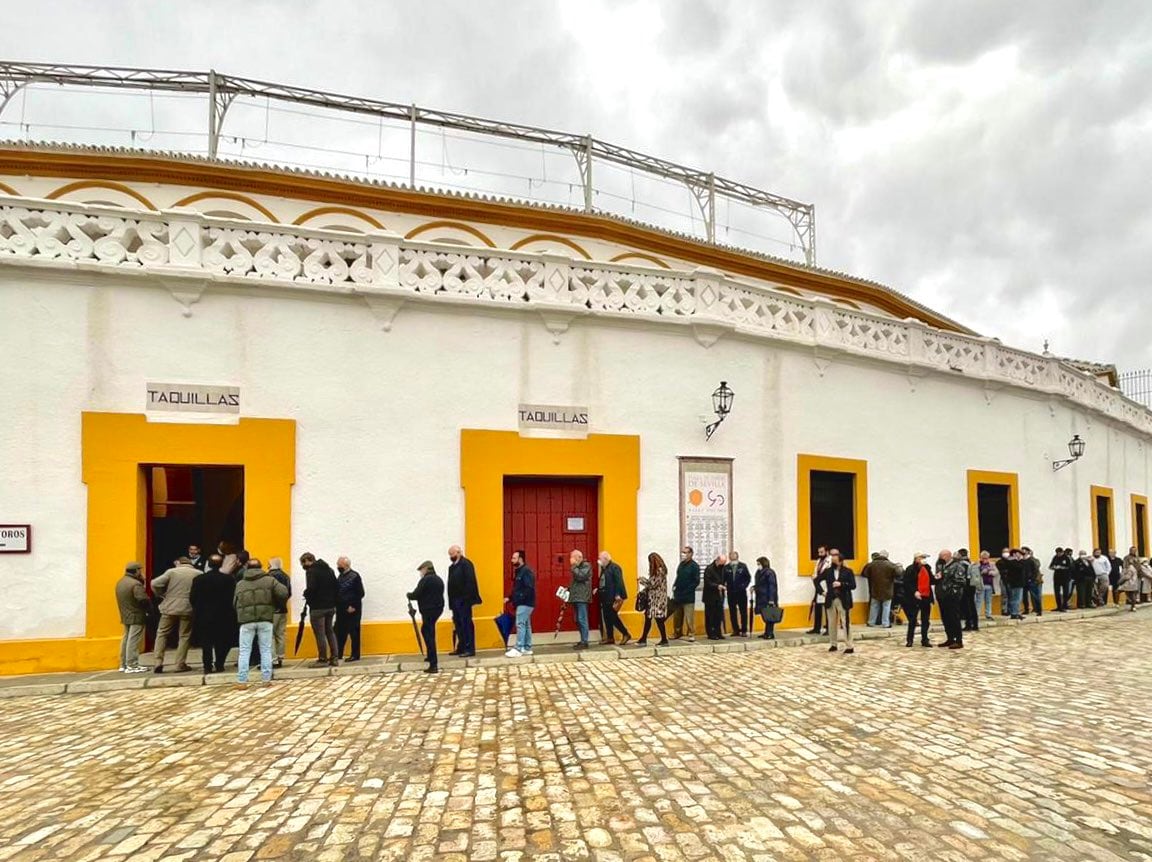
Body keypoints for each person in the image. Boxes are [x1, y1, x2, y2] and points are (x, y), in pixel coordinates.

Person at [231, 557, 288, 687]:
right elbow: (283, 592)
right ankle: (266, 679)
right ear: (261, 567)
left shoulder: (240, 584)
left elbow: (235, 603)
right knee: (266, 649)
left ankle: (242, 681)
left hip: (246, 621)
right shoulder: (270, 580)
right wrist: (275, 604)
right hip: (265, 618)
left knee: (244, 651)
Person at [150, 556, 199, 673]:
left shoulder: (172, 572)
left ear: (178, 563)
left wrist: (161, 595)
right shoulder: (198, 573)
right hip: (188, 607)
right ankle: (179, 664)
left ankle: (158, 662)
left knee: (162, 633)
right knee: (184, 636)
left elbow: (154, 583)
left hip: (169, 606)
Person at [189, 553, 236, 674]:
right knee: (222, 641)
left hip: (203, 616)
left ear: (208, 564)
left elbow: (192, 598)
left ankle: (207, 666)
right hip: (224, 615)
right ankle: (219, 664)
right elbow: (233, 598)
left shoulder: (199, 580)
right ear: (221, 564)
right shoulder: (229, 580)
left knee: (206, 643)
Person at [300, 552, 339, 667]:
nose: (303, 566)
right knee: (330, 632)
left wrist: (306, 595)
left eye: (303, 563)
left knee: (320, 633)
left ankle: (323, 659)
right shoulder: (329, 570)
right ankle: (334, 657)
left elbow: (311, 588)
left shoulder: (311, 571)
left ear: (308, 560)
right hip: (330, 607)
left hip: (318, 608)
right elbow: (336, 587)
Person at [408, 561, 445, 673]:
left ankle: (433, 664)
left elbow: (416, 594)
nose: (421, 572)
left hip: (428, 610)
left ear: (426, 569)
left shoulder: (425, 580)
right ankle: (430, 656)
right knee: (426, 631)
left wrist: (409, 595)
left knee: (429, 634)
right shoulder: (438, 579)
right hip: (437, 609)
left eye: (421, 570)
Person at [115, 562, 151, 673]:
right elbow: (143, 599)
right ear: (137, 571)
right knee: (133, 640)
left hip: (125, 614)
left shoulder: (121, 582)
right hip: (136, 614)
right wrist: (149, 610)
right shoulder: (135, 584)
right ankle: (132, 664)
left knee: (126, 638)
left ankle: (123, 664)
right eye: (140, 570)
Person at [447, 545, 481, 658]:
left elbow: (470, 582)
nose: (451, 556)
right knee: (458, 625)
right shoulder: (451, 567)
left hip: (464, 600)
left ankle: (469, 648)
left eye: (453, 554)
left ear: (459, 552)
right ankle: (460, 647)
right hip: (455, 600)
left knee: (466, 624)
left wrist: (467, 599)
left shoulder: (466, 564)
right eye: (450, 554)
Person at [820, 550, 855, 653]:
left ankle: (849, 645)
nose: (833, 563)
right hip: (830, 599)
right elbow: (817, 580)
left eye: (835, 561)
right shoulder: (828, 571)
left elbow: (853, 585)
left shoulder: (848, 571)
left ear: (840, 561)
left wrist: (841, 584)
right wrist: (821, 592)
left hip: (843, 599)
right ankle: (833, 644)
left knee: (845, 622)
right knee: (831, 623)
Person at [596, 552, 632, 645]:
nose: (599, 561)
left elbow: (618, 582)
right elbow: (603, 581)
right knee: (606, 617)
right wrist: (598, 589)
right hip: (605, 596)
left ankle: (625, 633)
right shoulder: (604, 568)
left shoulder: (615, 567)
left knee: (613, 617)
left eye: (600, 558)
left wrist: (617, 594)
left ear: (606, 559)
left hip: (613, 596)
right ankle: (610, 637)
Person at [506, 549, 535, 658]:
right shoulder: (519, 571)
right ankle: (527, 647)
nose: (511, 560)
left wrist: (519, 598)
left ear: (520, 559)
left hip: (525, 603)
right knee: (526, 625)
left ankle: (519, 647)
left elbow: (528, 587)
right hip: (523, 602)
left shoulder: (526, 571)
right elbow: (516, 588)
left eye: (514, 558)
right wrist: (509, 598)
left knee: (520, 624)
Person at [936, 549, 968, 648]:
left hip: (952, 596)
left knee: (954, 618)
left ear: (947, 556)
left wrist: (951, 591)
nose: (940, 558)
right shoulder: (940, 565)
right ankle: (950, 638)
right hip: (942, 596)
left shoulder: (957, 566)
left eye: (941, 556)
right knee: (945, 618)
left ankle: (958, 640)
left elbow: (961, 581)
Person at [335, 556, 365, 662]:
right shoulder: (340, 576)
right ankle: (338, 653)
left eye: (340, 565)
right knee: (339, 632)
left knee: (354, 632)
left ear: (346, 565)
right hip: (341, 609)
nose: (338, 567)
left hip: (352, 609)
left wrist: (353, 606)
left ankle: (355, 655)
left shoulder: (354, 576)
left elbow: (360, 593)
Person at [636, 552, 669, 646]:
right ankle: (643, 639)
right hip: (653, 600)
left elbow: (653, 584)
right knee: (649, 619)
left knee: (659, 620)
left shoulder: (659, 571)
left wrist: (643, 581)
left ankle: (663, 639)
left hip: (657, 601)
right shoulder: (659, 571)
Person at [902, 553, 934, 647]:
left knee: (925, 620)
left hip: (926, 597)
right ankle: (910, 640)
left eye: (924, 558)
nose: (924, 559)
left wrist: (937, 578)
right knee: (912, 620)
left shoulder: (927, 568)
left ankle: (925, 639)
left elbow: (931, 580)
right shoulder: (910, 569)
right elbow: (907, 583)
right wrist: (914, 591)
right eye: (922, 558)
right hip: (913, 598)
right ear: (916, 559)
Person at [862, 550, 899, 628]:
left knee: (874, 606)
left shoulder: (871, 564)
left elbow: (865, 574)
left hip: (874, 588)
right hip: (887, 589)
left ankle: (871, 622)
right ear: (886, 556)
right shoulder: (890, 565)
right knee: (886, 606)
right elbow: (898, 573)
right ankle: (885, 623)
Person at [267, 557, 292, 668]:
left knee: (271, 635)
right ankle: (281, 657)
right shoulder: (286, 576)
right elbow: (288, 593)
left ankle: (273, 659)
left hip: (273, 610)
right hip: (283, 609)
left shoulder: (270, 576)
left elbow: (269, 593)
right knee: (280, 634)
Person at [672, 546, 700, 641]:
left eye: (685, 552)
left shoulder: (694, 566)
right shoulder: (681, 565)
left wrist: (688, 590)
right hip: (678, 595)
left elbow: (696, 581)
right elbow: (678, 577)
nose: (683, 554)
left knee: (689, 617)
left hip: (688, 596)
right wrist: (674, 586)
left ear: (691, 554)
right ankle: (677, 632)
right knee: (677, 616)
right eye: (682, 552)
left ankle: (691, 634)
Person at [568, 550, 593, 650]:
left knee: (582, 619)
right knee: (577, 619)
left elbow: (581, 577)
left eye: (573, 557)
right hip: (575, 597)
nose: (571, 560)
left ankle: (585, 641)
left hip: (582, 597)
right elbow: (575, 582)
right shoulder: (577, 568)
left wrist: (574, 566)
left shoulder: (586, 566)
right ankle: (582, 639)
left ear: (579, 557)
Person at [724, 551, 751, 637]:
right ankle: (735, 630)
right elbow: (723, 578)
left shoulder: (742, 566)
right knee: (732, 612)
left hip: (741, 592)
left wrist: (744, 586)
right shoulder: (726, 567)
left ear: (737, 556)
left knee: (743, 612)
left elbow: (748, 577)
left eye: (734, 555)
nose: (732, 557)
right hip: (731, 592)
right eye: (731, 555)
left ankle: (744, 630)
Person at [807, 545, 832, 635]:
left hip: (826, 586)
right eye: (819, 552)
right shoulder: (818, 561)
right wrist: (814, 576)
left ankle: (829, 629)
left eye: (822, 552)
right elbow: (815, 572)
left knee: (827, 608)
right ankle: (816, 628)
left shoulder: (830, 560)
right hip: (818, 586)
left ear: (826, 552)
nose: (820, 554)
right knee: (817, 607)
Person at [702, 554, 728, 640]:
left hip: (720, 596)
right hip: (710, 597)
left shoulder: (723, 569)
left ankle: (718, 632)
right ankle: (711, 633)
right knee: (710, 616)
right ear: (717, 560)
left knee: (719, 616)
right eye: (721, 563)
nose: (722, 565)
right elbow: (707, 582)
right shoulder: (709, 569)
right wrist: (717, 586)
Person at [752, 556, 779, 639]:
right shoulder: (759, 572)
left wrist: (771, 599)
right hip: (761, 597)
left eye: (759, 564)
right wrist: (754, 587)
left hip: (768, 597)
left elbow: (772, 586)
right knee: (765, 615)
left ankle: (770, 633)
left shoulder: (769, 572)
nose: (758, 566)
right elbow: (760, 584)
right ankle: (766, 632)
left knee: (770, 615)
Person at [997, 548, 1025, 620]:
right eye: (1019, 554)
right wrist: (1021, 560)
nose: (1021, 555)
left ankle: (1016, 612)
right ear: (1015, 554)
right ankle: (1014, 613)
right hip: (1016, 583)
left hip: (1018, 583)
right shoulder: (1012, 562)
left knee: (1017, 599)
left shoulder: (1014, 561)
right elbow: (1019, 567)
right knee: (1016, 599)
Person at [958, 549, 981, 631]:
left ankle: (968, 624)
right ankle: (975, 624)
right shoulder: (971, 563)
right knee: (972, 605)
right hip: (972, 586)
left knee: (966, 606)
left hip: (965, 587)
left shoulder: (961, 564)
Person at [1019, 547, 1042, 617]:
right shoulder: (1021, 561)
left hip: (1031, 581)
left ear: (1027, 552)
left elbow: (1035, 571)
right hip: (1024, 581)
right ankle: (1026, 609)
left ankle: (1039, 610)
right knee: (1024, 596)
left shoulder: (1032, 560)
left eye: (1024, 551)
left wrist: (1032, 579)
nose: (1023, 552)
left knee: (1035, 596)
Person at [1050, 547, 1073, 612]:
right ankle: (1058, 606)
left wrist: (1062, 567)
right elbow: (1051, 566)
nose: (1058, 554)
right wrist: (1054, 567)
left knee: (1065, 592)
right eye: (1057, 553)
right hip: (1057, 577)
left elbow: (1070, 567)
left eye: (1060, 553)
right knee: (1057, 592)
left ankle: (1064, 605)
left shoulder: (1067, 557)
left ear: (1062, 552)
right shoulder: (1055, 557)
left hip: (1065, 577)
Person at [978, 551, 997, 621]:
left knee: (988, 600)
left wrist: (990, 572)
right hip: (981, 585)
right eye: (983, 558)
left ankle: (988, 614)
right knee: (979, 601)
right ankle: (977, 614)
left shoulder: (991, 564)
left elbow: (996, 572)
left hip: (989, 585)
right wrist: (982, 572)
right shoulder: (978, 565)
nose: (985, 560)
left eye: (986, 558)